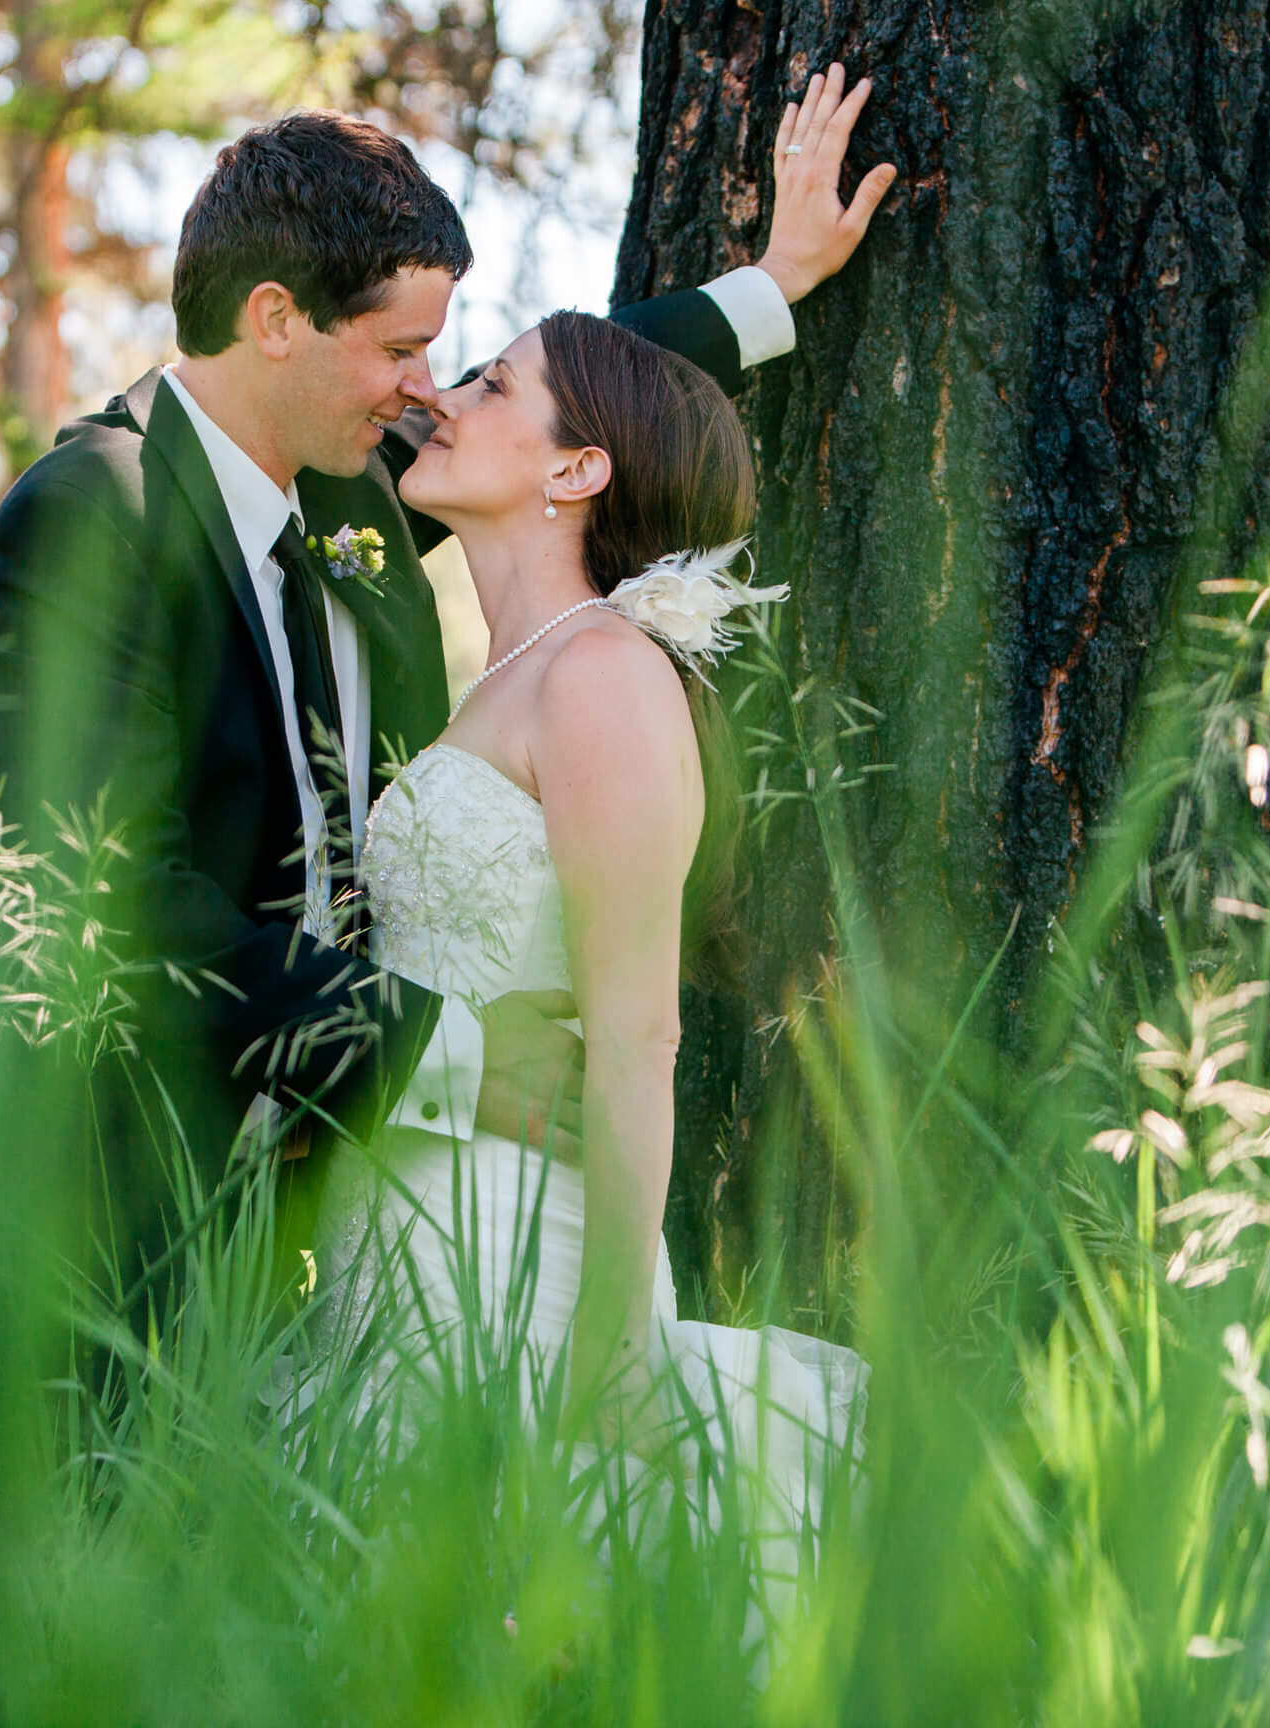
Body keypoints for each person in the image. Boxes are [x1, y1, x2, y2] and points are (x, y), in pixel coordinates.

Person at [0, 72, 892, 1416]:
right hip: (68, 1240)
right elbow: (99, 901)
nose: (432, 393)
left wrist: (774, 287)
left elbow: (559, 419)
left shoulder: (346, 515)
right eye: (404, 353)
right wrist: (452, 1054)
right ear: (276, 319)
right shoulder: (94, 522)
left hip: (308, 1257)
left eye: (444, 357)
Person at [309, 306, 869, 1628]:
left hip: (511, 1261)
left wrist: (619, 1342)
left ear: (577, 471)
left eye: (492, 382)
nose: (442, 399)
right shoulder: (495, 680)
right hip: (396, 1231)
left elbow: (635, 1033)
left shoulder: (605, 675)